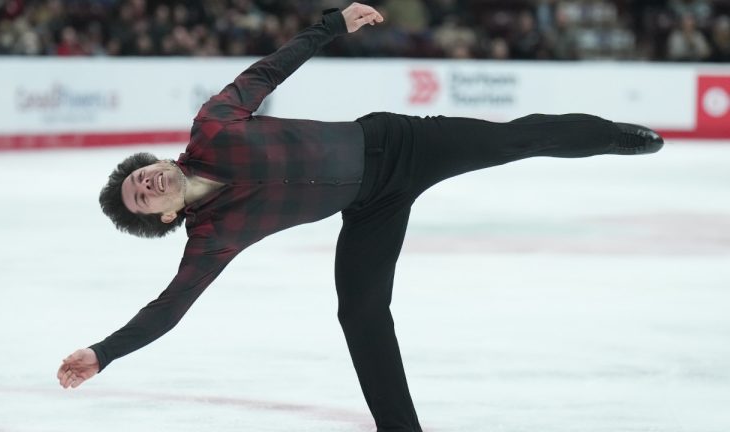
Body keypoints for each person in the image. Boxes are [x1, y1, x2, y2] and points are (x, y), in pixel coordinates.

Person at [56, 3, 664, 431]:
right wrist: (103, 353)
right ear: (161, 219)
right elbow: (168, 309)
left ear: (157, 160)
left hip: (396, 144)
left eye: (141, 176)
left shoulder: (212, 126)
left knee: (513, 140)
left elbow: (267, 71)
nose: (148, 184)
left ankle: (615, 136)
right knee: (361, 312)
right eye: (143, 197)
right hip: (369, 207)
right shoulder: (212, 236)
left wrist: (332, 25)